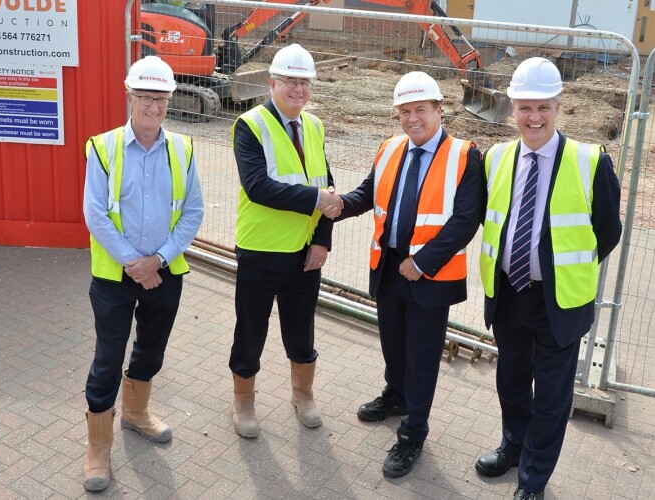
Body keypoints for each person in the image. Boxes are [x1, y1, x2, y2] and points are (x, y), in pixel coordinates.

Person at [474, 57, 622, 500]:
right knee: (511, 382)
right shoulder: (496, 158)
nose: (533, 117)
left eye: (543, 107)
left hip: (560, 301)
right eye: (524, 108)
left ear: (559, 107)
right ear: (512, 108)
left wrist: (563, 269)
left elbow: (608, 232)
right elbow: (488, 218)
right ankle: (513, 448)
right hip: (510, 294)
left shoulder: (590, 160)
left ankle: (534, 479)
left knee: (552, 396)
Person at [325, 71, 483, 478]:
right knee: (393, 345)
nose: (413, 119)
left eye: (420, 110)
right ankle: (396, 397)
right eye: (405, 112)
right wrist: (339, 205)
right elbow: (368, 193)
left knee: (423, 357)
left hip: (430, 275)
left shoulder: (465, 155)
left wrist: (423, 261)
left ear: (438, 110)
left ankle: (414, 431)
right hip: (390, 267)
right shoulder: (390, 148)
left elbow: (466, 220)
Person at [81, 55, 204, 491]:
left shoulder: (184, 149)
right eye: (146, 98)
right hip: (116, 275)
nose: (154, 108)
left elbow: (193, 212)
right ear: (129, 96)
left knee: (151, 351)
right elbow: (95, 214)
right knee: (107, 359)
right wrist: (136, 263)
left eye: (161, 99)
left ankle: (135, 413)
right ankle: (98, 447)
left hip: (164, 272)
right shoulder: (102, 147)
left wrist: (160, 260)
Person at [229, 43, 341, 438]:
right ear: (272, 82)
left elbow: (326, 186)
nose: (298, 89)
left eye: (304, 82)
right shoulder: (250, 125)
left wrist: (322, 240)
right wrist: (316, 200)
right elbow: (258, 187)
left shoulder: (314, 125)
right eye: (290, 81)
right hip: (261, 250)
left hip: (304, 253)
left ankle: (303, 394)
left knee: (301, 327)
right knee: (251, 329)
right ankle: (244, 402)